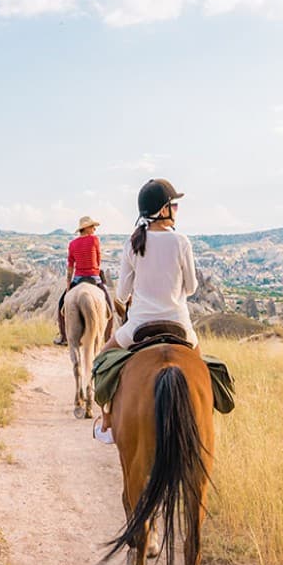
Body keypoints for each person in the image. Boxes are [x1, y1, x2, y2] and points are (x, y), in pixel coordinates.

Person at [93, 178, 198, 441]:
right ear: (163, 210)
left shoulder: (132, 243)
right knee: (203, 370)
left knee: (101, 361)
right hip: (180, 325)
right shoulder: (181, 241)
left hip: (138, 326)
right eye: (174, 205)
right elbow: (192, 288)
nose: (177, 210)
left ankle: (107, 420)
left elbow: (121, 294)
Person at [53, 215, 112, 346]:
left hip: (78, 278)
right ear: (86, 228)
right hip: (94, 278)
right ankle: (108, 338)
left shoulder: (72, 244)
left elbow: (70, 266)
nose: (94, 229)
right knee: (110, 308)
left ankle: (63, 336)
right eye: (92, 227)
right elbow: (98, 261)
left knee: (61, 305)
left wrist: (69, 285)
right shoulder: (94, 240)